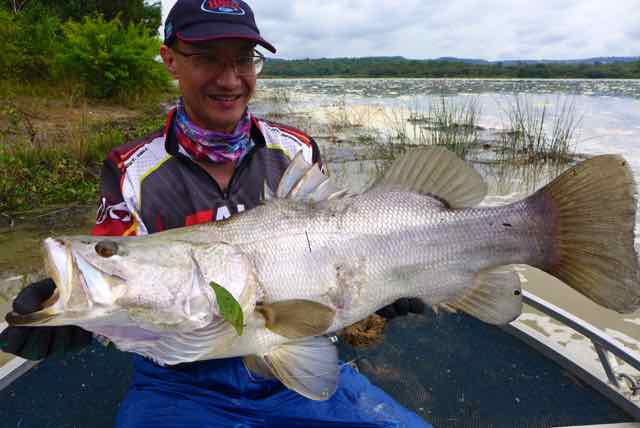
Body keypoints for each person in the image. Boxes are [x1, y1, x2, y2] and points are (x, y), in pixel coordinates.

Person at [0, 1, 430, 426]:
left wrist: (385, 280)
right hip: (179, 381)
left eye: (243, 59)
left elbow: (338, 249)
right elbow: (129, 269)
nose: (230, 80)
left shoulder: (296, 150)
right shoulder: (130, 168)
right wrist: (81, 319)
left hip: (288, 364)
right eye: (207, 59)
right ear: (170, 60)